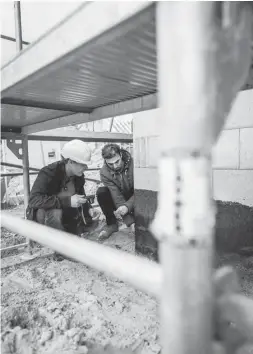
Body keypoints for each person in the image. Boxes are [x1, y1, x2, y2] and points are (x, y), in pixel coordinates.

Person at [26, 139, 99, 259]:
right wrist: (68, 201)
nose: (85, 167)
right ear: (70, 161)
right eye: (82, 164)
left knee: (90, 220)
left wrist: (89, 209)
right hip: (44, 215)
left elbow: (80, 195)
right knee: (55, 212)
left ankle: (71, 241)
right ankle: (61, 249)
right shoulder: (48, 173)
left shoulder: (78, 176)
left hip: (65, 214)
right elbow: (34, 200)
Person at [96, 143, 134, 240]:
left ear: (120, 155)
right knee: (102, 192)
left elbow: (141, 191)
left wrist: (128, 206)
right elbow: (116, 196)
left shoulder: (134, 164)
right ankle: (112, 224)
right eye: (110, 164)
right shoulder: (104, 172)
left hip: (136, 195)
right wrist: (130, 222)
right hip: (121, 197)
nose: (115, 166)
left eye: (117, 161)